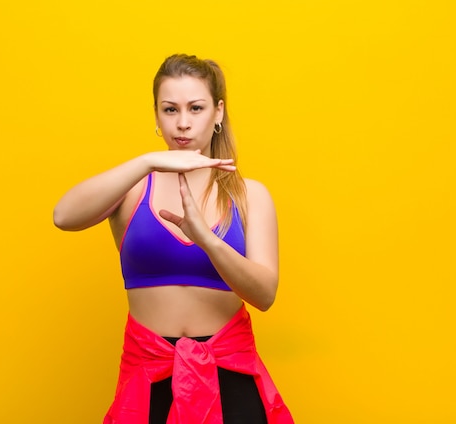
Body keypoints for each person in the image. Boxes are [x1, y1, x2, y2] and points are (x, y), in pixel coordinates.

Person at [53, 54, 294, 424]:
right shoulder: (132, 188)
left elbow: (265, 295)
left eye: (196, 108)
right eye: (170, 109)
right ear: (156, 115)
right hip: (148, 380)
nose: (182, 123)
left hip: (229, 378)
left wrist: (207, 240)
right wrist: (147, 162)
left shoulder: (249, 195)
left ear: (218, 112)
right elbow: (63, 216)